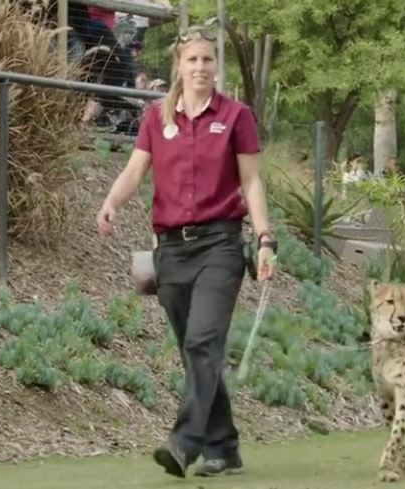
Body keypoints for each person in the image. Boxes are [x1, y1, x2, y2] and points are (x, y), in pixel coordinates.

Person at [96, 25, 277, 479]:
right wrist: (111, 203)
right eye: (192, 60)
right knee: (194, 349)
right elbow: (136, 170)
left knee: (203, 341)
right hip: (171, 251)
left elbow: (252, 181)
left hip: (220, 244)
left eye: (207, 60)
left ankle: (184, 443)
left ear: (217, 67)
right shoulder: (157, 118)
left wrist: (265, 238)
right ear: (179, 65)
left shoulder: (236, 116)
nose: (200, 68)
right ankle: (224, 446)